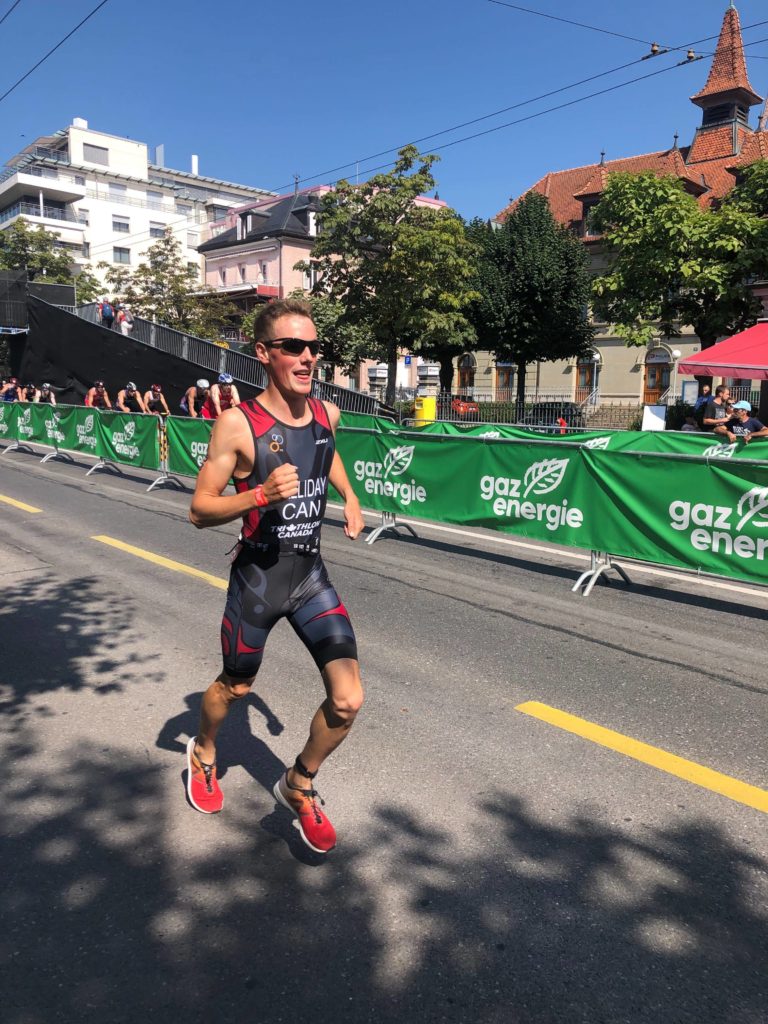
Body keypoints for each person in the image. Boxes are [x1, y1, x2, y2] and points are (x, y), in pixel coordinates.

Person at [187, 297, 364, 854]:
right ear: (264, 354)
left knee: (348, 700)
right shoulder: (237, 425)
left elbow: (326, 450)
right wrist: (259, 494)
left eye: (313, 346)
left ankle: (299, 783)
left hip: (310, 575)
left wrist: (350, 495)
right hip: (258, 580)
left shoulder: (327, 413)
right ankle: (204, 751)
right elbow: (198, 509)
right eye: (293, 346)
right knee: (237, 686)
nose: (308, 356)